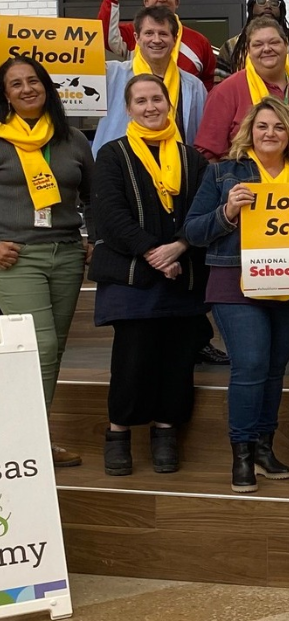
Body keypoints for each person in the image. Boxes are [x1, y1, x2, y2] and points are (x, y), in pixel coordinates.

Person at [184, 97, 289, 493]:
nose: (270, 133)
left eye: (278, 127)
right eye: (262, 127)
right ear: (249, 132)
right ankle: (241, 455)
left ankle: (263, 446)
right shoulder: (224, 173)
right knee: (251, 365)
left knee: (275, 369)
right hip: (234, 283)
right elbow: (192, 231)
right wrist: (227, 212)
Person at [90, 74, 208, 476]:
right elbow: (109, 216)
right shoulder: (112, 154)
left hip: (182, 273)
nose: (150, 107)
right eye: (140, 101)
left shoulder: (193, 159)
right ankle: (118, 434)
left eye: (157, 99)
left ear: (168, 104)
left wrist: (180, 246)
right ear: (128, 109)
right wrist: (155, 253)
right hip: (132, 276)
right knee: (132, 360)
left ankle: (165, 433)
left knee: (177, 361)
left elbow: (200, 213)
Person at [0, 55, 94, 468]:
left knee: (51, 353)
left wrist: (95, 239)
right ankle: (22, 444)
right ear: (5, 95)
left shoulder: (72, 139)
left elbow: (95, 195)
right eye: (16, 84)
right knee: (41, 346)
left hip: (68, 255)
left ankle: (34, 437)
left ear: (47, 87)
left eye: (33, 81)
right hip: (17, 259)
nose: (26, 89)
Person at [94, 5, 208, 152]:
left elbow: (200, 137)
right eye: (149, 33)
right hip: (119, 169)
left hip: (176, 170)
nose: (156, 40)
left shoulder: (193, 86)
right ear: (137, 38)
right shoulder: (111, 74)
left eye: (163, 34)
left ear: (175, 39)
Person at [195, 17, 289, 161]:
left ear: (286, 46)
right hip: (244, 180)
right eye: (258, 44)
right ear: (248, 51)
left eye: (274, 42)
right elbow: (208, 155)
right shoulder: (226, 91)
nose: (267, 49)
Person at [99, 0, 217, 89]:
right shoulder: (134, 32)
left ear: (177, 2)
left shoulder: (199, 41)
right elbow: (104, 35)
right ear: (146, 2)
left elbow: (208, 83)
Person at [215, 0, 289, 83]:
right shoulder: (231, 47)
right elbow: (220, 84)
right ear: (251, 8)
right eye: (261, 1)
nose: (268, 6)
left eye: (274, 3)